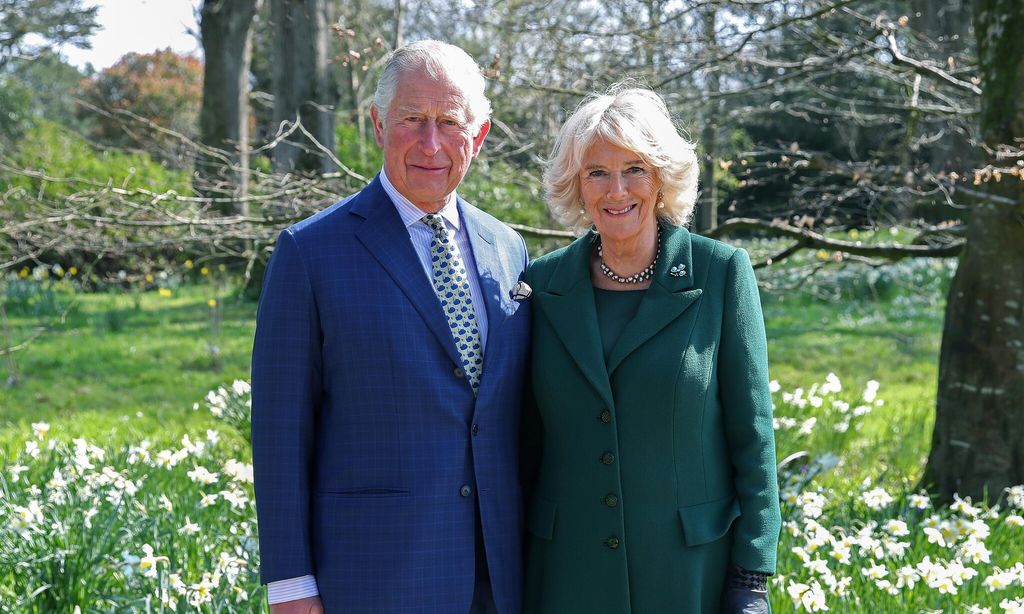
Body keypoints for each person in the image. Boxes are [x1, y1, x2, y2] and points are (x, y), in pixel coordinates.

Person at [251, 40, 531, 614]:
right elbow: (280, 430)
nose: (431, 143)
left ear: (477, 138)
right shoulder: (310, 252)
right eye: (412, 120)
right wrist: (289, 583)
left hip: (499, 574)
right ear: (378, 124)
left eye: (449, 122)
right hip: (374, 575)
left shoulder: (508, 249)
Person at [521, 85, 781, 613]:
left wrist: (752, 577)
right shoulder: (541, 286)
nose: (616, 189)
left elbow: (753, 438)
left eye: (634, 168)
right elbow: (524, 439)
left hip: (688, 572)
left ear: (661, 176)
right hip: (569, 572)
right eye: (597, 172)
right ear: (577, 185)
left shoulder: (721, 273)